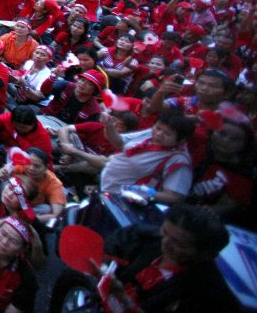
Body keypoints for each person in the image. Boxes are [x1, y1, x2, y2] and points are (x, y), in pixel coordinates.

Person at [102, 204, 240, 312]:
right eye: (165, 232)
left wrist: (127, 304)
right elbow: (107, 250)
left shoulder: (210, 298)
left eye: (178, 243)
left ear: (206, 254)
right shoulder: (142, 237)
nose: (165, 242)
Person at [99, 108, 195, 203]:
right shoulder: (150, 133)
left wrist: (146, 193)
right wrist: (109, 125)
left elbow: (176, 197)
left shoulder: (179, 159)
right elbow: (119, 143)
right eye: (158, 128)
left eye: (167, 133)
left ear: (182, 140)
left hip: (123, 202)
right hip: (106, 188)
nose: (159, 134)